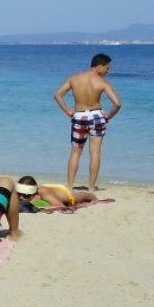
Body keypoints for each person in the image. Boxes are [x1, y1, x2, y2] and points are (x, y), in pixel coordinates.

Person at [53, 53, 121, 191]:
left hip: (79, 116)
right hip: (97, 116)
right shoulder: (102, 82)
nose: (108, 71)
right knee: (95, 153)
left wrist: (67, 111)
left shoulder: (74, 78)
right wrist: (108, 116)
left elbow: (57, 95)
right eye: (107, 68)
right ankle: (90, 188)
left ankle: (70, 186)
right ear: (100, 66)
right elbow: (117, 104)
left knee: (75, 152)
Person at [14, 175, 96, 209]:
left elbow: (60, 206)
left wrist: (39, 208)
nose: (21, 198)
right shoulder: (25, 195)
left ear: (34, 192)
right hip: (55, 191)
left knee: (85, 196)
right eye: (19, 194)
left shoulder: (44, 193)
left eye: (26, 196)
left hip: (68, 195)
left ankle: (93, 196)